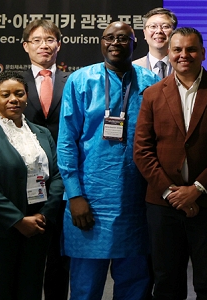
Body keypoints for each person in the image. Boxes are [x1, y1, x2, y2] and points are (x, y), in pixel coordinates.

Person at [134, 27, 207, 300]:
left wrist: (197, 189)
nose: (184, 55)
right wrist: (171, 193)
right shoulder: (152, 94)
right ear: (169, 54)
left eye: (191, 49)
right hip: (163, 205)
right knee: (166, 283)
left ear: (203, 53)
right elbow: (142, 150)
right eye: (177, 50)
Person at [57, 22, 159, 300]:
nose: (115, 43)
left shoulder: (150, 82)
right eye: (109, 37)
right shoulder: (81, 80)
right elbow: (66, 142)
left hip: (135, 201)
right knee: (85, 288)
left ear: (134, 43)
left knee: (135, 285)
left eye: (123, 38)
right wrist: (74, 195)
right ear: (101, 42)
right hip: (90, 199)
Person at [0, 72, 64, 300]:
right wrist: (18, 220)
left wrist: (44, 215)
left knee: (29, 291)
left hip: (37, 229)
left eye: (19, 94)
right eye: (5, 94)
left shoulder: (43, 133)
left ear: (27, 97)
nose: (13, 99)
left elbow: (58, 176)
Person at [20, 19, 70, 300]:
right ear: (26, 46)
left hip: (63, 177)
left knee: (59, 257)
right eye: (37, 40)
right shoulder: (13, 84)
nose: (44, 45)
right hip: (23, 178)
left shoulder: (72, 81)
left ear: (58, 45)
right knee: (26, 258)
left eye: (49, 40)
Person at [133, 7, 178, 78]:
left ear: (174, 32)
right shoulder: (134, 68)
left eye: (165, 26)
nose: (159, 31)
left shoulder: (183, 66)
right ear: (144, 33)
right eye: (153, 26)